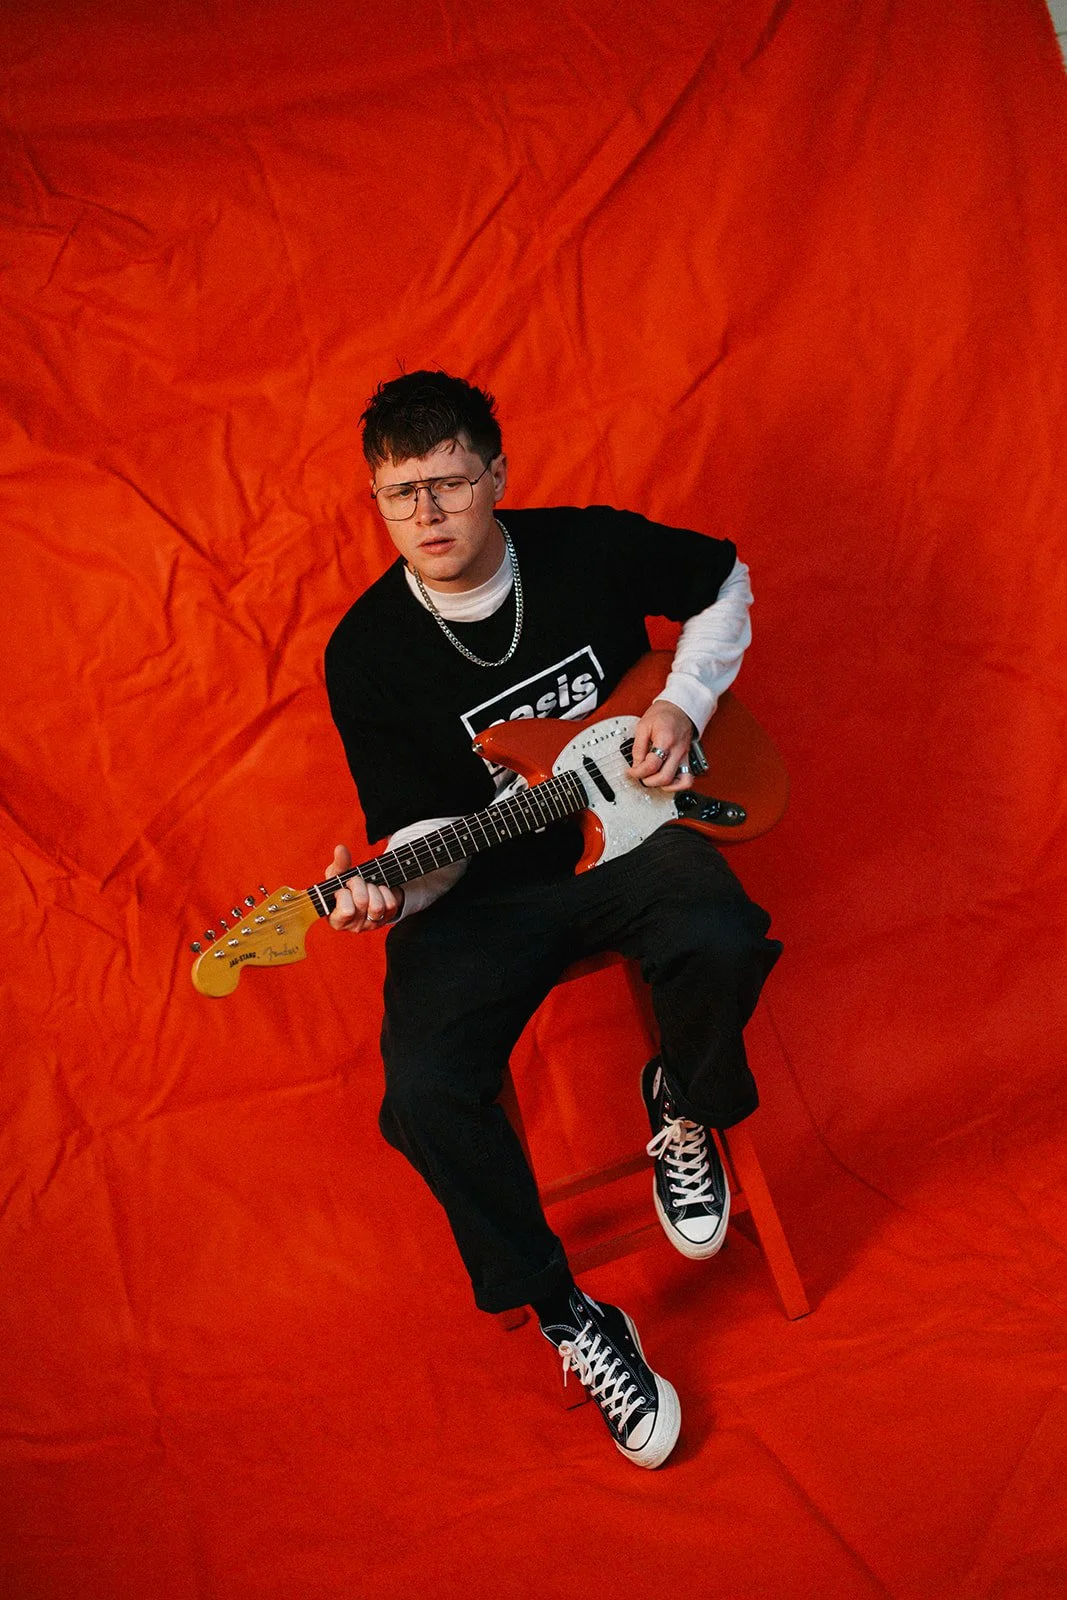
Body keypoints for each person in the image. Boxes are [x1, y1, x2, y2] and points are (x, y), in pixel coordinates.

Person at [323, 371, 781, 1469]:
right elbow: (422, 835)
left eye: (447, 483)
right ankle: (569, 1313)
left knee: (720, 931)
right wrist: (389, 888)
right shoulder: (366, 651)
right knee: (422, 1094)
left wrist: (681, 701)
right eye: (399, 494)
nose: (426, 514)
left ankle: (682, 1103)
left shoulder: (582, 545)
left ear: (495, 475)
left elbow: (724, 578)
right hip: (484, 893)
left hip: (635, 841)